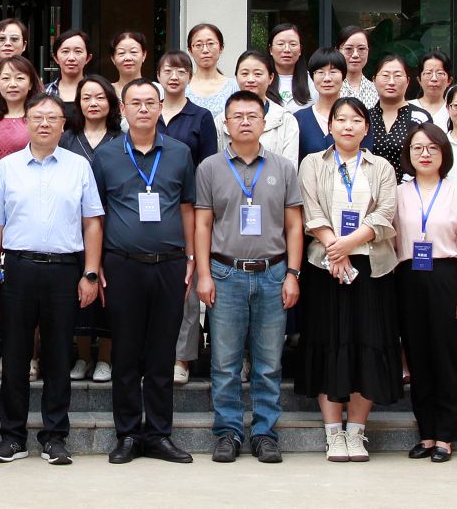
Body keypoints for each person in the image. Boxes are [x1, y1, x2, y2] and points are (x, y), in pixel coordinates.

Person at [0, 92, 105, 466]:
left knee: (58, 354)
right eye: (38, 117)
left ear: (64, 125)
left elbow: (92, 223)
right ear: (27, 123)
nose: (45, 123)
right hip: (18, 268)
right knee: (15, 354)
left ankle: (55, 437)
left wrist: (90, 272)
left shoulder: (79, 166)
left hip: (65, 270)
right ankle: (12, 437)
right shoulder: (7, 168)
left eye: (53, 117)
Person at [196, 91, 304, 464]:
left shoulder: (283, 168)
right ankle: (227, 433)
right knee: (224, 362)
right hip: (225, 273)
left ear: (263, 122)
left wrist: (293, 273)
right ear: (226, 124)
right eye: (237, 116)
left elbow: (294, 225)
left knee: (268, 362)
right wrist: (204, 274)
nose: (245, 121)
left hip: (273, 273)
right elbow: (203, 224)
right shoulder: (209, 167)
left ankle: (264, 433)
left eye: (252, 115)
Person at [93, 81, 198, 465]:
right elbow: (95, 214)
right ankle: (127, 434)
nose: (142, 109)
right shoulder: (105, 155)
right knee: (125, 352)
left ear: (160, 107)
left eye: (149, 102)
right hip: (121, 265)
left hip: (169, 265)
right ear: (122, 109)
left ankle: (158, 434)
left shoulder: (179, 152)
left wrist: (190, 258)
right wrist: (95, 264)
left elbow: (187, 207)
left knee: (161, 353)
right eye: (135, 103)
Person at [296, 97, 400, 462]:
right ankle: (333, 433)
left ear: (366, 127)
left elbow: (385, 213)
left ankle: (356, 432)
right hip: (324, 268)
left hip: (371, 268)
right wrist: (334, 248)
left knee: (366, 346)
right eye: (340, 119)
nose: (347, 126)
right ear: (330, 126)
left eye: (355, 120)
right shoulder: (313, 163)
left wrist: (348, 245)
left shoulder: (381, 166)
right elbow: (311, 210)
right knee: (328, 344)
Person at [394, 123, 457, 462]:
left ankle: (445, 436)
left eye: (432, 147)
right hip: (408, 278)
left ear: (444, 152)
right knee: (418, 358)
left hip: (447, 277)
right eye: (418, 148)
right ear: (408, 154)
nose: (425, 154)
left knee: (446, 358)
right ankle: (426, 434)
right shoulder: (397, 194)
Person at [61, 75, 121, 382]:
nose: (93, 103)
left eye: (100, 97)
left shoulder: (121, 139)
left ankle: (105, 358)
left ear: (110, 102)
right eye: (86, 98)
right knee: (80, 291)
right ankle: (83, 356)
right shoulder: (66, 139)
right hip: (73, 226)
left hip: (114, 225)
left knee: (108, 293)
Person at [232, 51, 301, 164]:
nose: (251, 79)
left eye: (257, 74)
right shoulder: (222, 121)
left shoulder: (286, 120)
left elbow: (289, 168)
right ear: (236, 77)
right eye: (244, 74)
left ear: (271, 77)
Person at [294, 48, 363, 158]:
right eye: (320, 72)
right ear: (312, 77)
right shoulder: (299, 119)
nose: (327, 78)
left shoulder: (359, 115)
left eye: (333, 72)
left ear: (343, 75)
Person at [366, 54, 431, 168]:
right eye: (385, 75)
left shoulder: (420, 117)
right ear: (374, 80)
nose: (391, 82)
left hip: (409, 179)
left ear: (408, 81)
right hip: (369, 179)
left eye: (397, 76)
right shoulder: (364, 117)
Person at [157, 51, 218, 166]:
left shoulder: (202, 116)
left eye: (181, 72)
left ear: (190, 77)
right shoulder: (149, 112)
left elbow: (209, 164)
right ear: (158, 76)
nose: (174, 77)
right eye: (168, 71)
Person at [0, 55, 41, 167]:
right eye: (6, 78)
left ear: (30, 84)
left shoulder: (39, 120)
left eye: (20, 78)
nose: (12, 84)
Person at [183, 23, 239, 123]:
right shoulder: (183, 86)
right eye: (198, 45)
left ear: (221, 47)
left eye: (211, 44)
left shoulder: (234, 87)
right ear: (190, 50)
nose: (205, 50)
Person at [50, 30, 93, 119]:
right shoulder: (45, 91)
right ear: (56, 58)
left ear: (88, 58)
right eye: (65, 51)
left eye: (78, 51)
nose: (71, 58)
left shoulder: (99, 91)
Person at [265, 24, 308, 113]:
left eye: (293, 44)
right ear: (270, 49)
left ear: (300, 50)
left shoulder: (313, 81)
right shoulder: (261, 79)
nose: (287, 49)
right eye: (280, 44)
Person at [334, 26, 378, 109]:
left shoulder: (377, 91)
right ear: (337, 51)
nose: (355, 55)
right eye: (348, 48)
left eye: (361, 48)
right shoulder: (328, 87)